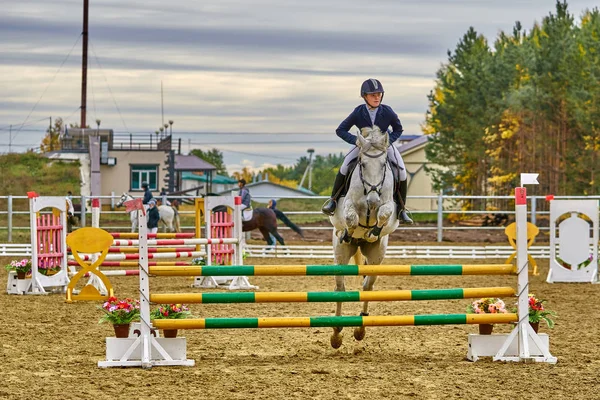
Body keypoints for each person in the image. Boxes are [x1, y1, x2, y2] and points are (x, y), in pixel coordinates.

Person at [321, 78, 413, 224]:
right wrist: (355, 141)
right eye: (373, 95)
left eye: (379, 94)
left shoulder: (387, 111)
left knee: (401, 170)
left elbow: (398, 129)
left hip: (383, 146)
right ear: (365, 96)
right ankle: (333, 201)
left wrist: (388, 142)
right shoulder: (359, 112)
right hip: (363, 146)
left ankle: (402, 209)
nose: (377, 97)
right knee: (345, 166)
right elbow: (340, 130)